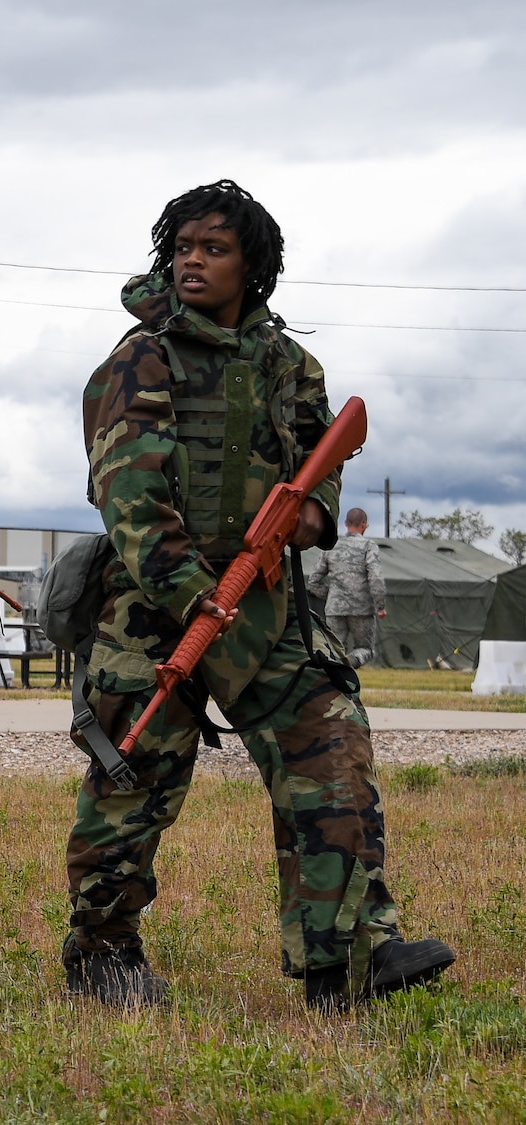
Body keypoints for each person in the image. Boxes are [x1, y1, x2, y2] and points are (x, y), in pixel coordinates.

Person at [66, 179, 453, 1011]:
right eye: (183, 248)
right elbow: (129, 499)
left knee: (332, 752)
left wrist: (310, 513)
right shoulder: (143, 358)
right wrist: (197, 596)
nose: (193, 261)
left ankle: (347, 956)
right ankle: (102, 952)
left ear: (254, 266)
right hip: (154, 612)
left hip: (266, 604)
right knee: (132, 784)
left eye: (215, 248)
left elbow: (323, 454)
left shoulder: (287, 364)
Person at [309, 508, 388, 667]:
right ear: (364, 524)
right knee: (365, 649)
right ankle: (349, 663)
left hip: (335, 608)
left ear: (345, 523)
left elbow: (313, 581)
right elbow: (376, 577)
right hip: (362, 608)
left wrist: (331, 595)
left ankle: (335, 680)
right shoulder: (368, 546)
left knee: (335, 649)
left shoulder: (332, 545)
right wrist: (380, 605)